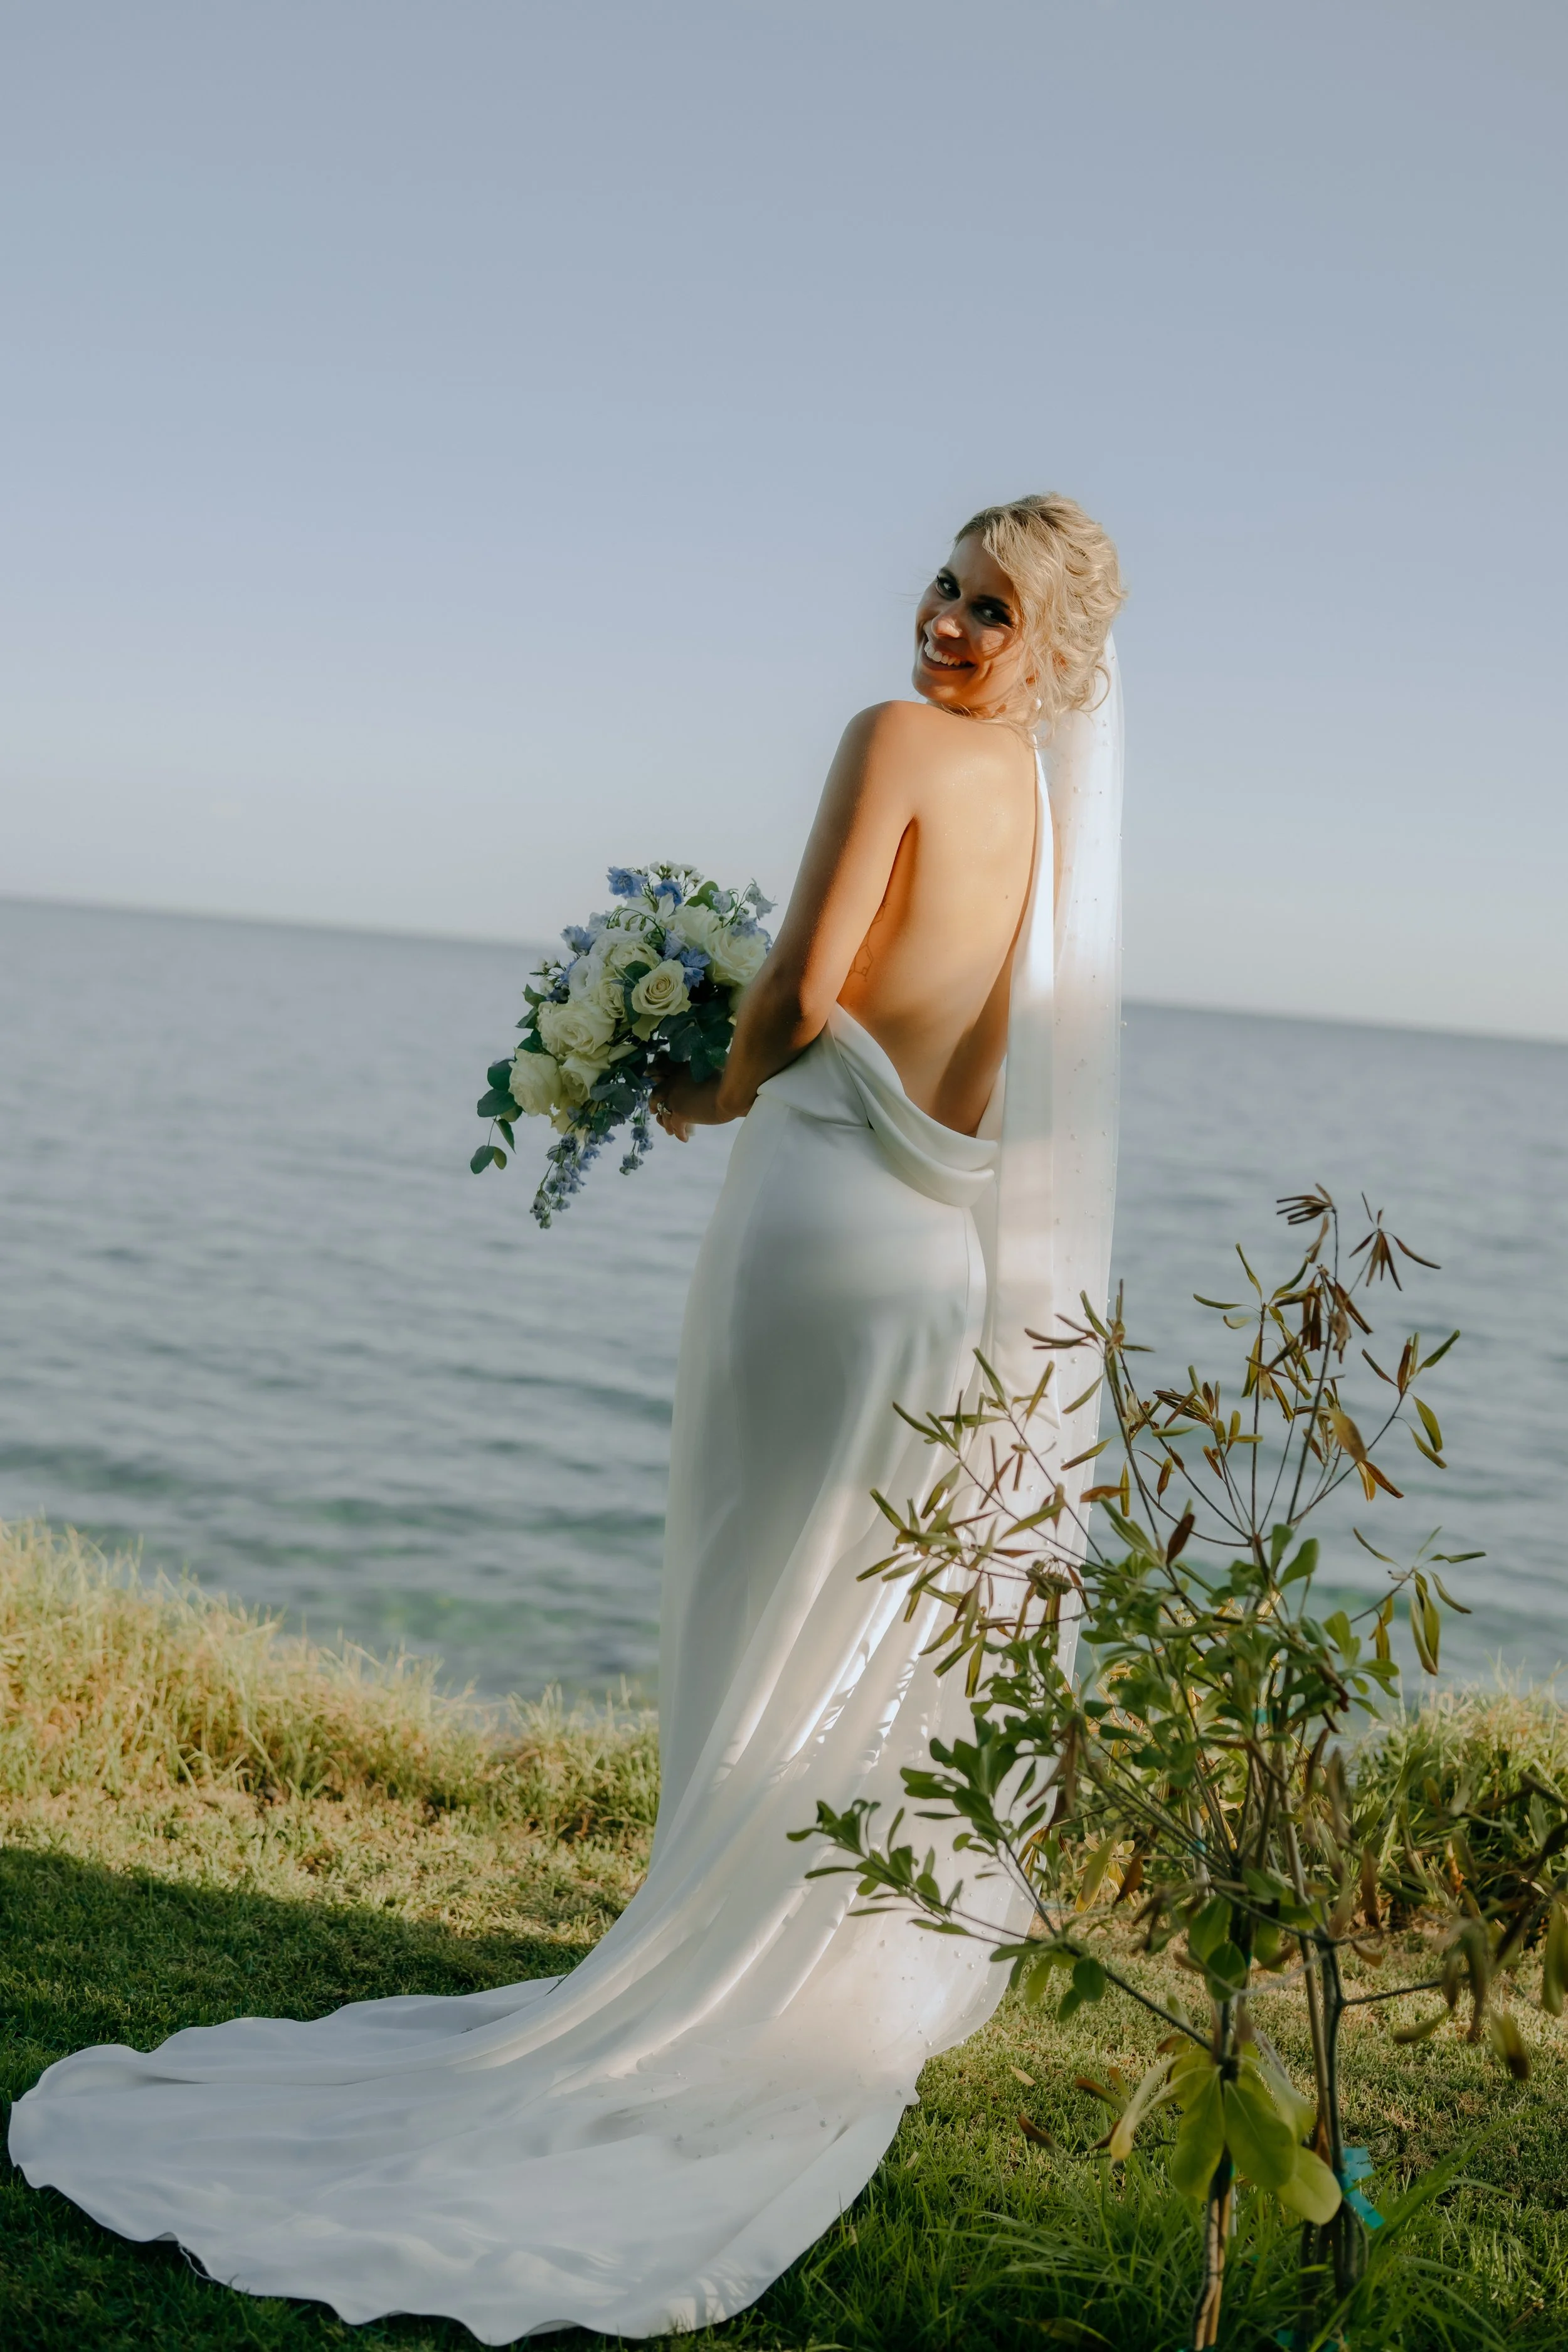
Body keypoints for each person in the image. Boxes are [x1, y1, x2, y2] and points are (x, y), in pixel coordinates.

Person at [9, 494, 1126, 2346]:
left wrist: (698, 1093)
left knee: (744, 1581)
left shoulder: (895, 747)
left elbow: (794, 988)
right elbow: (995, 1058)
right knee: (852, 1604)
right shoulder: (1054, 817)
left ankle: (697, 1959)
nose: (942, 622)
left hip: (812, 1208)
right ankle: (805, 1972)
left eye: (986, 607)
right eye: (941, 583)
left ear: (1050, 642)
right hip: (935, 1246)